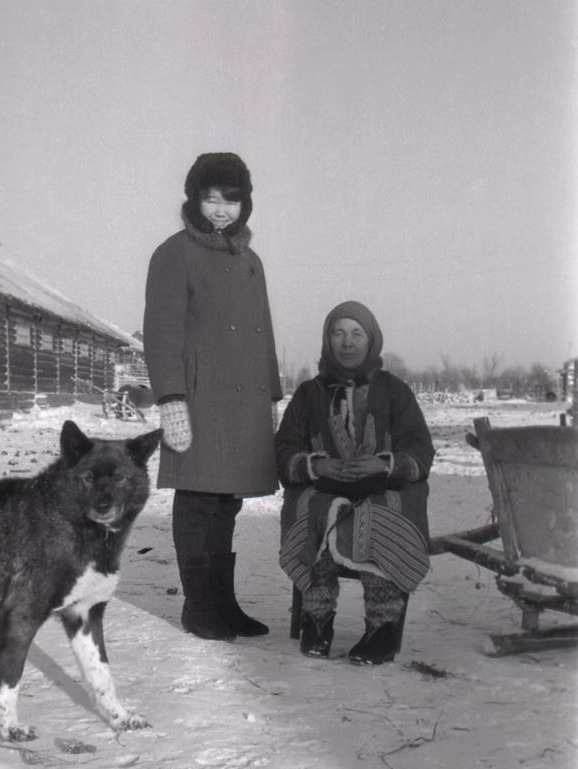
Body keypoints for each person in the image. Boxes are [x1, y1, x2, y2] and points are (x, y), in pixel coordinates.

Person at [143, 152, 282, 642]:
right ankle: (197, 606)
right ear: (194, 200)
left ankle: (224, 603)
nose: (221, 209)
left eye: (231, 199)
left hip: (243, 403)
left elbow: (263, 332)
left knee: (227, 503)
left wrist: (272, 395)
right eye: (210, 198)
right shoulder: (173, 253)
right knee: (199, 499)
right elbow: (160, 332)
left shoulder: (250, 261)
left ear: (245, 204)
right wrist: (171, 398)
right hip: (199, 401)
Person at [275, 301, 434, 664]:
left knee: (380, 516)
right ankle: (317, 621)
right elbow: (284, 449)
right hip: (326, 488)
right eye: (339, 333)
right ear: (327, 340)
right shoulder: (308, 393)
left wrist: (384, 464)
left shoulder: (396, 391)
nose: (348, 342)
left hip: (383, 488)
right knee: (316, 509)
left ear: (371, 340)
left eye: (356, 333)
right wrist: (319, 466)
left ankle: (381, 627)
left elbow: (420, 449)